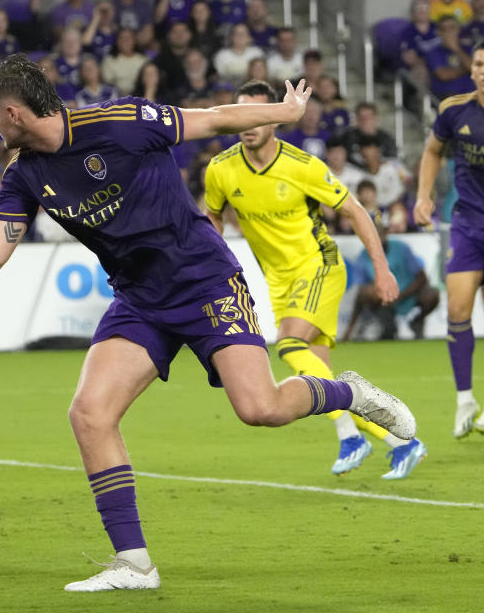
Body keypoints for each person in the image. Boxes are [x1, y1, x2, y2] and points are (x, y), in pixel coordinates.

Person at [0, 54, 417, 591]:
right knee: (90, 414)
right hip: (140, 299)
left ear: (14, 112)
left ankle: (347, 393)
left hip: (204, 281)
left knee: (260, 408)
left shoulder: (121, 122)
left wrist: (283, 111)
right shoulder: (24, 174)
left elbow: (211, 118)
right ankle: (134, 563)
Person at [205, 79, 425, 480]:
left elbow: (356, 211)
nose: (249, 123)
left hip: (318, 267)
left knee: (290, 345)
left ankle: (386, 438)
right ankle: (364, 438)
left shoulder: (301, 166)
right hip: (278, 279)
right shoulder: (220, 171)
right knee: (315, 371)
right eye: (243, 114)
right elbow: (213, 219)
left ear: (275, 118)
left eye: (259, 114)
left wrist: (381, 266)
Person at [414, 42, 484, 438]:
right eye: (478, 63)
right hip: (467, 225)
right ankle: (465, 401)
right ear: (471, 69)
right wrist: (424, 196)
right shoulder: (453, 109)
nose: (483, 70)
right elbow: (432, 151)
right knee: (458, 310)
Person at [345, 218, 440, 341]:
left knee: (432, 294)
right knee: (366, 293)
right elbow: (362, 292)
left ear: (386, 233)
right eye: (373, 235)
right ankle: (383, 326)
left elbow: (422, 278)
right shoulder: (363, 256)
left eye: (380, 234)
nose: (378, 238)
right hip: (384, 300)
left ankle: (418, 321)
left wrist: (401, 296)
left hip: (407, 294)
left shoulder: (401, 248)